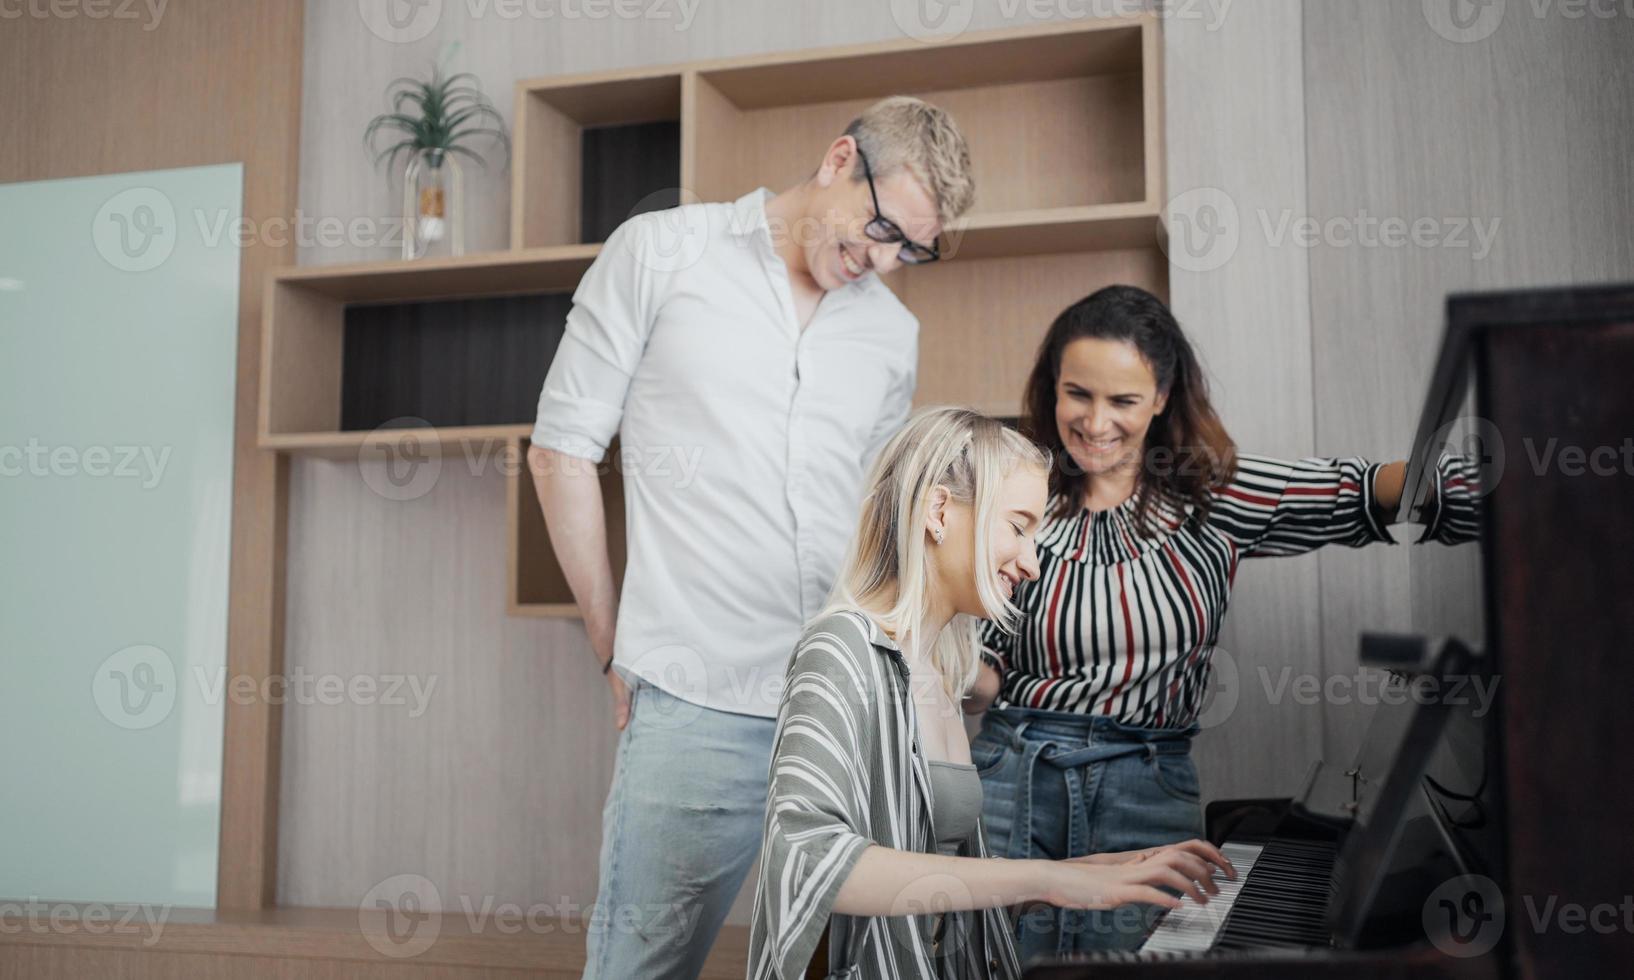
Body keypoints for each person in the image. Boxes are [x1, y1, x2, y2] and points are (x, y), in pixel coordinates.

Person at [527, 96, 975, 979]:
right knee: (641, 968)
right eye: (881, 227)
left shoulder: (892, 333)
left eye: (909, 249)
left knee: (862, 967)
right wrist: (612, 641)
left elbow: (872, 521)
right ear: (839, 158)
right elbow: (561, 451)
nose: (882, 259)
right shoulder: (662, 253)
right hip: (698, 698)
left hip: (848, 704)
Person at [961, 284, 1478, 958]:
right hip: (1012, 779)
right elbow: (988, 671)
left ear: (1163, 397)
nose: (1094, 421)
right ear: (1051, 389)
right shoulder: (1021, 491)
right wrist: (927, 656)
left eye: (1122, 400)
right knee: (1001, 966)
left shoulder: (1214, 496)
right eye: (1077, 394)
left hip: (1147, 786)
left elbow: (1362, 490)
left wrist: (1518, 486)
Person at [748, 407, 1236, 980]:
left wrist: (1097, 870)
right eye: (1019, 526)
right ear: (938, 511)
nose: (1032, 563)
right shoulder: (840, 649)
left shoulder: (937, 668)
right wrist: (1049, 878)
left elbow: (938, 884)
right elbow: (809, 860)